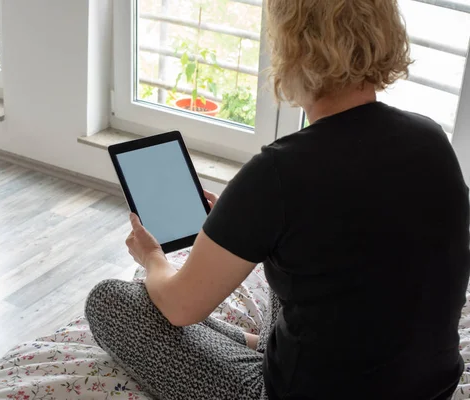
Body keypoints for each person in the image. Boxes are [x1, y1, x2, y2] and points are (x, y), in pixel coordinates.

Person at [85, 0, 470, 398]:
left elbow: (181, 308)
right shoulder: (431, 140)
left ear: (292, 49)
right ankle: (253, 343)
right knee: (302, 261)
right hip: (431, 388)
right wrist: (242, 224)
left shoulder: (278, 172)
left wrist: (152, 258)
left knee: (111, 300)